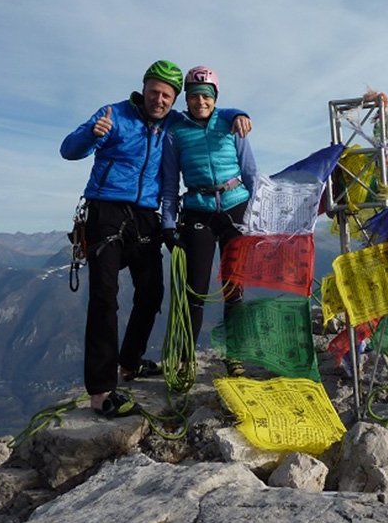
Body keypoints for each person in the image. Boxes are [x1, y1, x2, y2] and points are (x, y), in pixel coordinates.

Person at [60, 60, 251, 417]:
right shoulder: (113, 114)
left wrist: (240, 112)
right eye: (154, 92)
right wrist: (91, 135)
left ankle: (130, 363)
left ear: (174, 98)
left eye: (166, 95)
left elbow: (212, 112)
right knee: (105, 295)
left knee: (151, 293)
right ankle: (102, 391)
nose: (159, 100)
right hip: (107, 210)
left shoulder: (175, 124)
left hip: (145, 216)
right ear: (143, 89)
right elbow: (68, 149)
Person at [161, 66, 258, 377]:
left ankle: (236, 355)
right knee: (196, 289)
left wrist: (257, 211)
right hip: (197, 209)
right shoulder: (175, 132)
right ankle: (187, 359)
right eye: (194, 96)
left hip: (235, 206)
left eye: (206, 96)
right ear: (186, 100)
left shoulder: (231, 125)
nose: (200, 101)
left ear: (214, 99)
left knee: (235, 287)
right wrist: (167, 222)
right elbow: (169, 182)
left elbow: (250, 172)